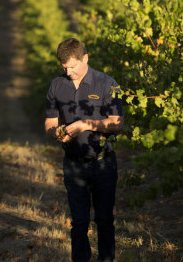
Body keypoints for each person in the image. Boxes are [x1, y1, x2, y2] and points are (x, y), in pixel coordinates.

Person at [45, 38, 123, 262]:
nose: (68, 72)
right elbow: (50, 121)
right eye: (64, 68)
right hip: (73, 163)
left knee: (104, 220)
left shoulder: (107, 83)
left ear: (85, 59)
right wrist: (55, 132)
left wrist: (85, 125)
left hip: (103, 163)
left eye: (72, 66)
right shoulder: (56, 85)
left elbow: (117, 123)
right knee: (78, 222)